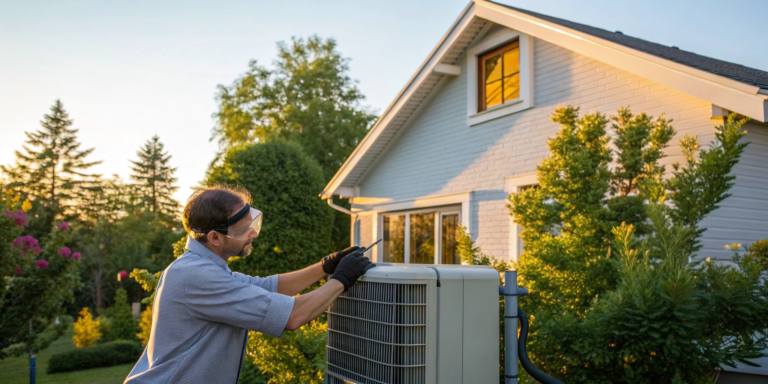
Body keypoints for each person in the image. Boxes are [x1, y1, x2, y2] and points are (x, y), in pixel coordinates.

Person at [124, 185, 374, 384]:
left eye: (254, 223)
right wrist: (342, 279)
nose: (254, 234)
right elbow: (293, 317)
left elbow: (270, 287)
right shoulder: (198, 276)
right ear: (215, 237)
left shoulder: (202, 267)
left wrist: (325, 267)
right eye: (245, 229)